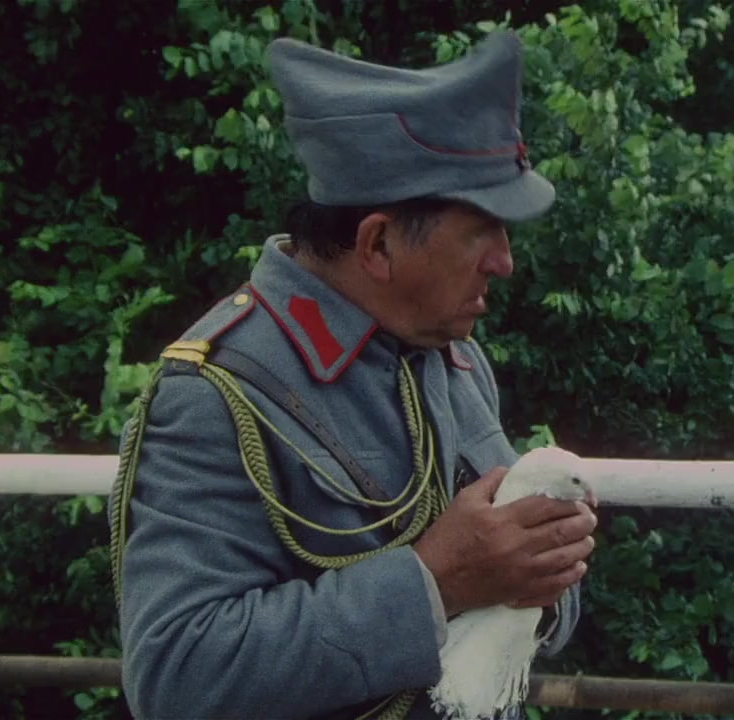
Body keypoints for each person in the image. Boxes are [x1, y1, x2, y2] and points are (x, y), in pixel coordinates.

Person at [108, 30, 599, 720]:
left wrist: (539, 568)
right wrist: (436, 581)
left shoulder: (453, 357)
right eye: (481, 231)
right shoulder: (218, 391)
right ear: (378, 244)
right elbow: (179, 674)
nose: (504, 262)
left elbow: (514, 597)